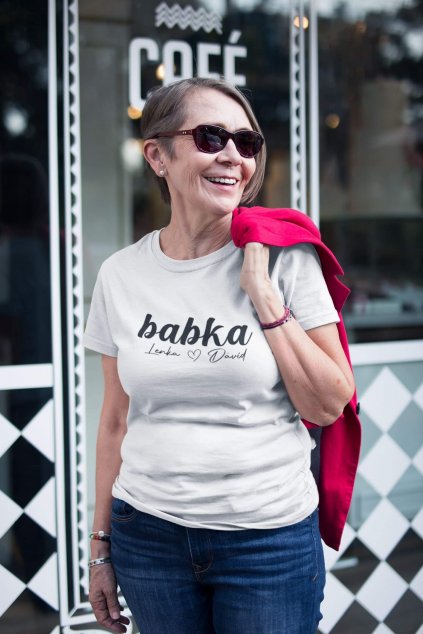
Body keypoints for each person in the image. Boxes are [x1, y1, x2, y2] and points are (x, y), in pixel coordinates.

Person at [84, 77, 355, 634]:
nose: (233, 156)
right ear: (158, 156)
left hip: (267, 540)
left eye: (247, 141)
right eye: (211, 137)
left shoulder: (285, 260)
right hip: (149, 535)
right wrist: (100, 547)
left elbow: (330, 403)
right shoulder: (120, 274)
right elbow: (115, 421)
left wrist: (265, 297)